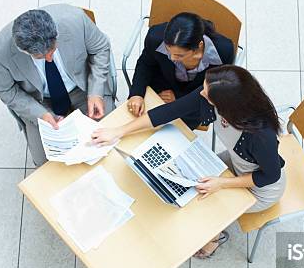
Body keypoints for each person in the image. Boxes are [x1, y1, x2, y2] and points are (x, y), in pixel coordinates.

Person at [92, 65, 286, 258]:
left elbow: (270, 175)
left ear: (228, 105)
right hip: (236, 165)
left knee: (202, 204)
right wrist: (119, 131)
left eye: (207, 93)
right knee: (193, 191)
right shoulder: (214, 92)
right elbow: (169, 111)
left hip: (260, 189)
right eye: (204, 87)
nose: (201, 93)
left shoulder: (261, 136)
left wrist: (222, 184)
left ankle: (215, 238)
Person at [0, 4, 116, 166]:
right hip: (39, 101)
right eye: (40, 56)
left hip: (84, 87)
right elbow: (4, 89)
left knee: (111, 137)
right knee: (46, 164)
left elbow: (101, 48)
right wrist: (40, 114)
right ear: (23, 50)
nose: (49, 59)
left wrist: (96, 91)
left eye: (52, 50)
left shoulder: (75, 19)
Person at [127, 12, 234, 129]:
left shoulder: (223, 51)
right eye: (168, 51)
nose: (172, 58)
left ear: (199, 46)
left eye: (179, 55)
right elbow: (145, 64)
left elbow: (214, 89)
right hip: (161, 88)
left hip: (195, 99)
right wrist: (136, 94)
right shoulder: (155, 37)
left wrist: (178, 98)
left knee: (172, 134)